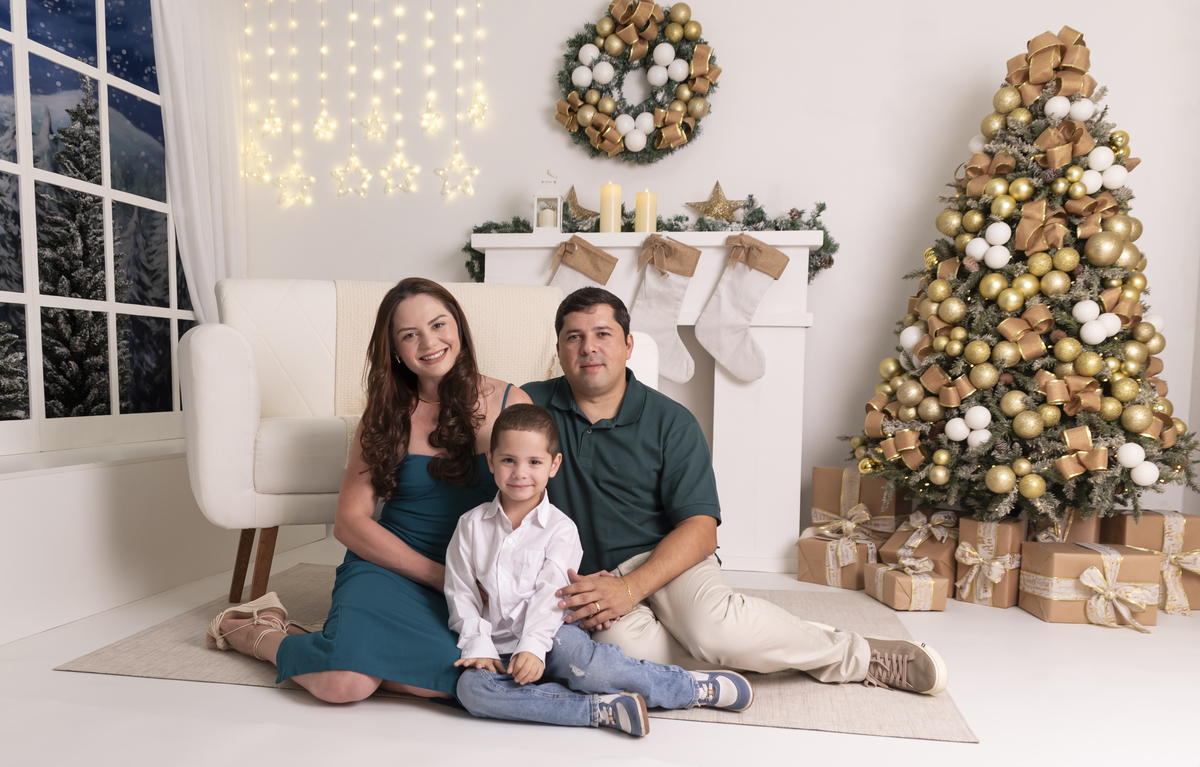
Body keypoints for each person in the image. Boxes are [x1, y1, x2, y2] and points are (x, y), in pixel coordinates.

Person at [522, 287, 948, 695]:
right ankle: (777, 639)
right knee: (624, 656)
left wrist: (631, 589)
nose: (588, 348)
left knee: (714, 631)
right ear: (558, 349)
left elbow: (701, 530)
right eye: (573, 337)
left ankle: (859, 656)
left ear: (628, 345)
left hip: (668, 560)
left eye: (603, 334)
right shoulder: (527, 409)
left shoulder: (671, 421)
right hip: (594, 580)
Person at [204, 278, 533, 704]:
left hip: (475, 578)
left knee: (464, 678)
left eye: (438, 325)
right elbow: (349, 522)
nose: (429, 343)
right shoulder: (386, 413)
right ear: (394, 348)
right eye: (409, 334)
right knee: (343, 684)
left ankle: (335, 643)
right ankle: (255, 633)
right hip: (391, 566)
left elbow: (536, 509)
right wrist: (441, 576)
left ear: (459, 327)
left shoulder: (511, 403)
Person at [445, 404, 754, 737]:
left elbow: (551, 594)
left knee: (590, 669)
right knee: (471, 690)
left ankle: (691, 688)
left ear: (553, 465)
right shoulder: (470, 525)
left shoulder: (561, 529)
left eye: (534, 462)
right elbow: (461, 592)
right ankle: (600, 709)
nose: (520, 473)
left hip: (552, 634)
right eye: (509, 460)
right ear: (491, 461)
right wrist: (479, 646)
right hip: (498, 643)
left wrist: (533, 647)